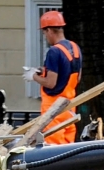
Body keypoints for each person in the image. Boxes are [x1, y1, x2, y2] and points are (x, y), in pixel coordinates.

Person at [24, 10, 81, 145]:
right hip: (69, 107)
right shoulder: (74, 47)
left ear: (49, 30)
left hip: (53, 110)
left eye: (44, 33)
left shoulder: (54, 52)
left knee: (54, 150)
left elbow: (50, 83)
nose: (45, 37)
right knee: (67, 149)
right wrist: (42, 70)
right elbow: (75, 77)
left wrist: (33, 76)